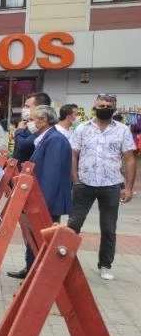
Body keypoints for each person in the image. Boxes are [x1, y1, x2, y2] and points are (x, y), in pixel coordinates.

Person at [67, 94, 136, 281]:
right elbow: (73, 154)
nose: (104, 107)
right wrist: (75, 180)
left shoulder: (122, 130)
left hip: (111, 185)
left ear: (114, 108)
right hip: (84, 184)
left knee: (108, 229)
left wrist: (128, 187)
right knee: (73, 225)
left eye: (108, 105)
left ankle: (105, 264)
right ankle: (64, 262)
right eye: (101, 105)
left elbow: (129, 159)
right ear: (94, 107)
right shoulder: (82, 128)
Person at [7, 105, 72, 280]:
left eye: (32, 119)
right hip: (39, 199)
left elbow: (52, 174)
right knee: (34, 238)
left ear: (43, 121)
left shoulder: (55, 140)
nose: (29, 124)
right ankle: (31, 270)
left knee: (41, 239)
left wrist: (43, 205)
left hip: (46, 201)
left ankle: (38, 276)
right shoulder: (45, 138)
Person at [13, 92, 51, 164]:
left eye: (27, 106)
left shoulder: (40, 126)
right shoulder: (26, 123)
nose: (24, 109)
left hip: (31, 171)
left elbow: (23, 145)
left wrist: (19, 131)